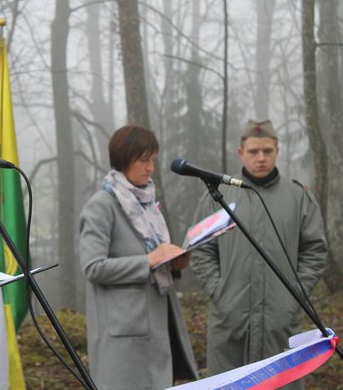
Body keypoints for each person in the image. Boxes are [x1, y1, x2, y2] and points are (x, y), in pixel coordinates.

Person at [191, 119, 328, 389]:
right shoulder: (217, 195)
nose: (261, 158)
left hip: (281, 323)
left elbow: (315, 250)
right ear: (241, 153)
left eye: (267, 150)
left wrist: (296, 295)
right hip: (231, 323)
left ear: (278, 151)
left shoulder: (298, 197)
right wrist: (220, 291)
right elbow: (201, 249)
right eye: (254, 151)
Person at [79, 125, 198, 390]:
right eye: (143, 160)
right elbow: (93, 268)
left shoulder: (147, 205)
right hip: (123, 339)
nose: (150, 168)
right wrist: (149, 260)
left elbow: (155, 258)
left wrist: (173, 263)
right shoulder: (101, 205)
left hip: (159, 328)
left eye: (153, 160)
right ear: (123, 160)